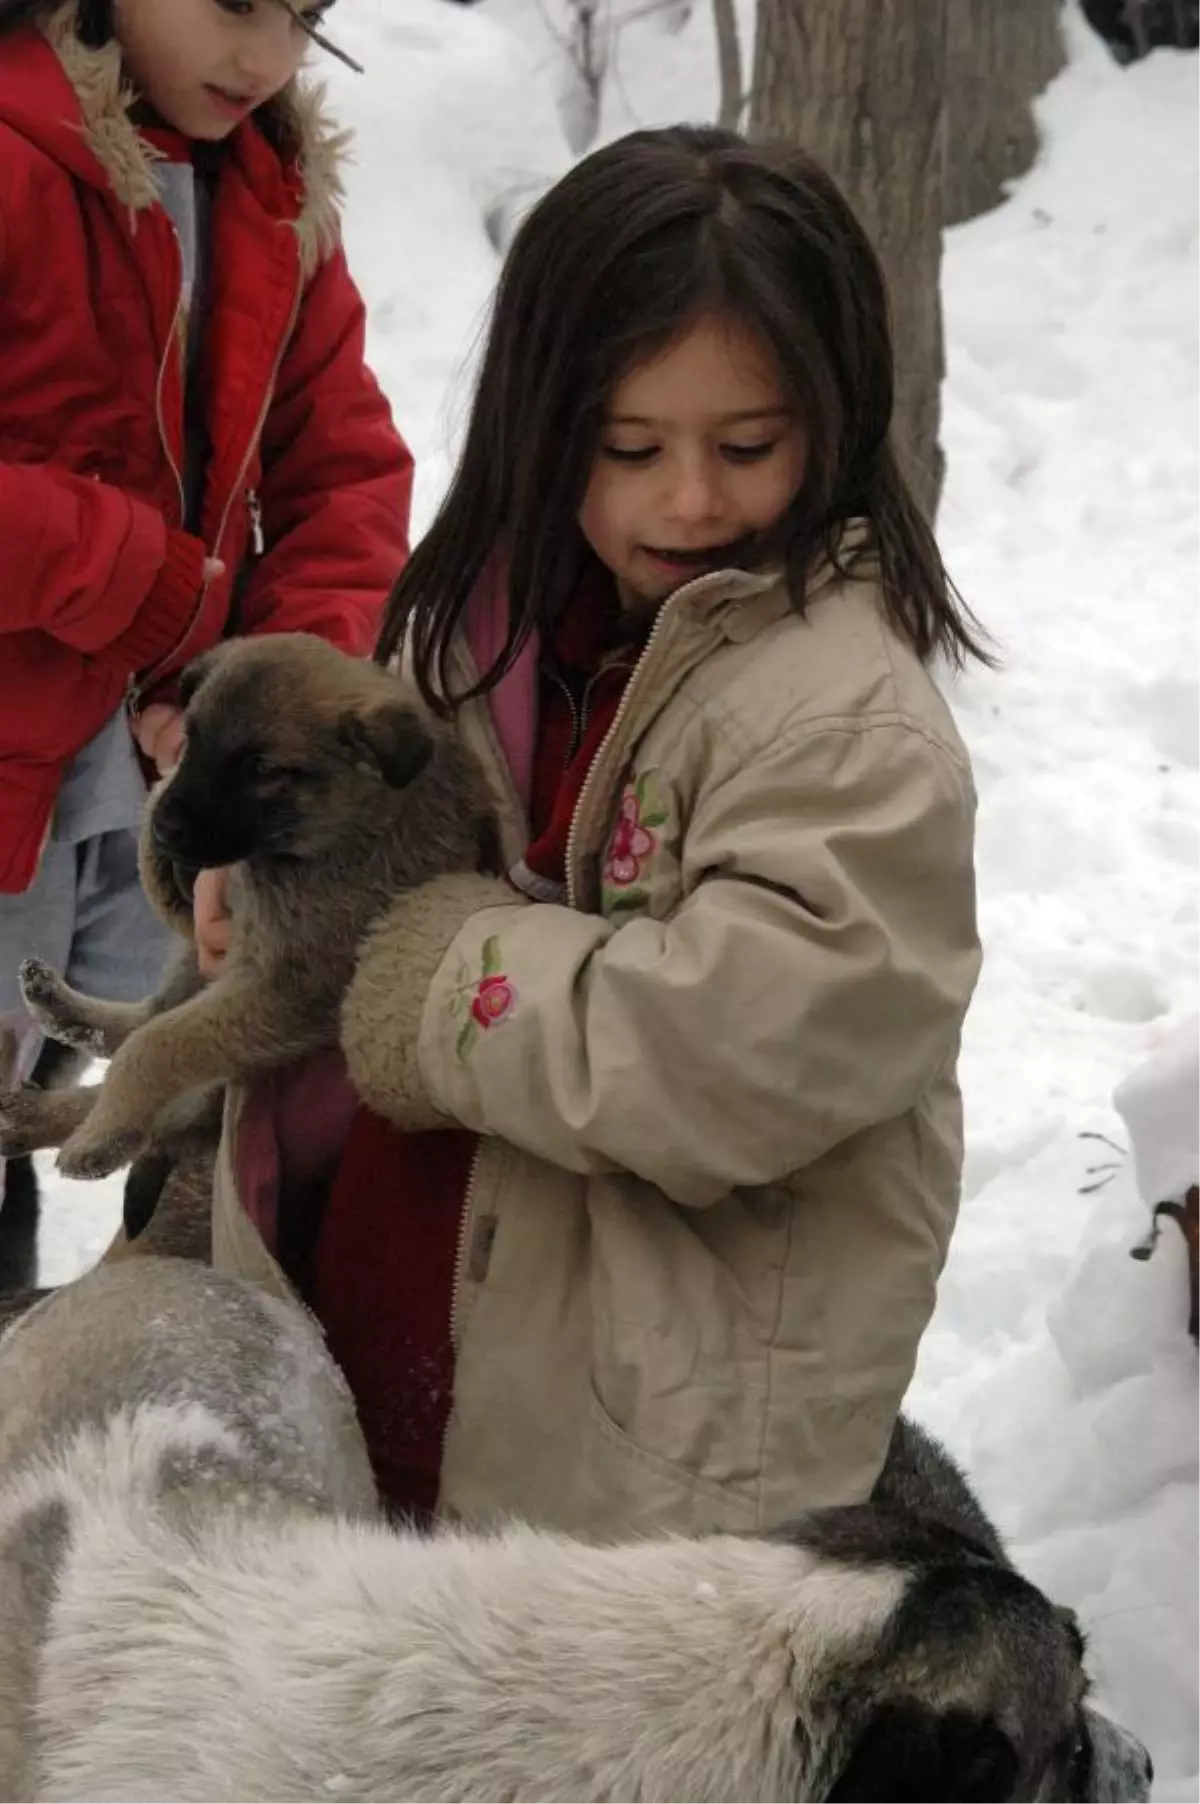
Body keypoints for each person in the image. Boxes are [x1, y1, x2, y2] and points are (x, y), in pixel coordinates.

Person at [185, 125, 985, 1536]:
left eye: (748, 446)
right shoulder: (483, 626)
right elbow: (388, 859)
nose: (689, 497)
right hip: (394, 1358)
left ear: (836, 418)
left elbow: (742, 1050)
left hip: (625, 1463)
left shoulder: (845, 728)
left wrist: (442, 979)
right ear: (546, 421)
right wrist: (276, 898)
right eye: (629, 446)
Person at [0, 0, 412, 1145]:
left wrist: (277, 684)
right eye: (237, 4)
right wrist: (127, 573)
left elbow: (344, 475)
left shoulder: (269, 196)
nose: (271, 58)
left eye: (306, 15)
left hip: (151, 795)